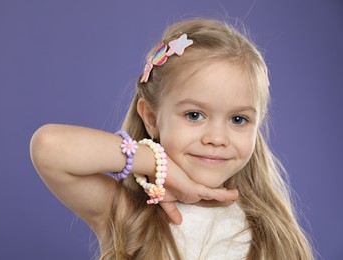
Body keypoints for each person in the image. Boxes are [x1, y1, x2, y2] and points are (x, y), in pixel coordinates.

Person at [30, 18, 314, 259]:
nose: (217, 138)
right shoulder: (130, 214)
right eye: (194, 115)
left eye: (238, 120)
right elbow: (49, 147)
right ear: (151, 118)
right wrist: (156, 164)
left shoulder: (272, 232)